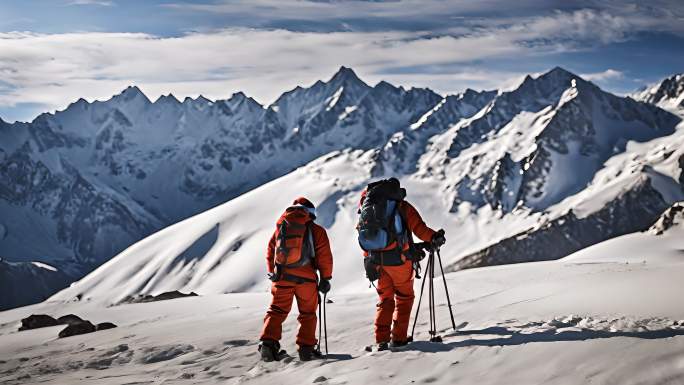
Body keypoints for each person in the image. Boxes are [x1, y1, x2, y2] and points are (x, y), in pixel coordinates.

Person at [357, 178, 445, 350]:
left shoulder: (366, 209)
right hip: (399, 262)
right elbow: (420, 229)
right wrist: (434, 237)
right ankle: (399, 339)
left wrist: (369, 261)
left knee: (385, 299)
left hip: (376, 262)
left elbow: (364, 238)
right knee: (404, 299)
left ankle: (381, 340)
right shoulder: (401, 207)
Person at [259, 197, 333, 361]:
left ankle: (267, 344)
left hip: (282, 277)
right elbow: (325, 257)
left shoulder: (281, 227)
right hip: (306, 279)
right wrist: (325, 278)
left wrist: (273, 272)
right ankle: (306, 349)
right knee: (307, 313)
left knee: (277, 310)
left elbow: (270, 251)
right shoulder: (317, 231)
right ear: (310, 214)